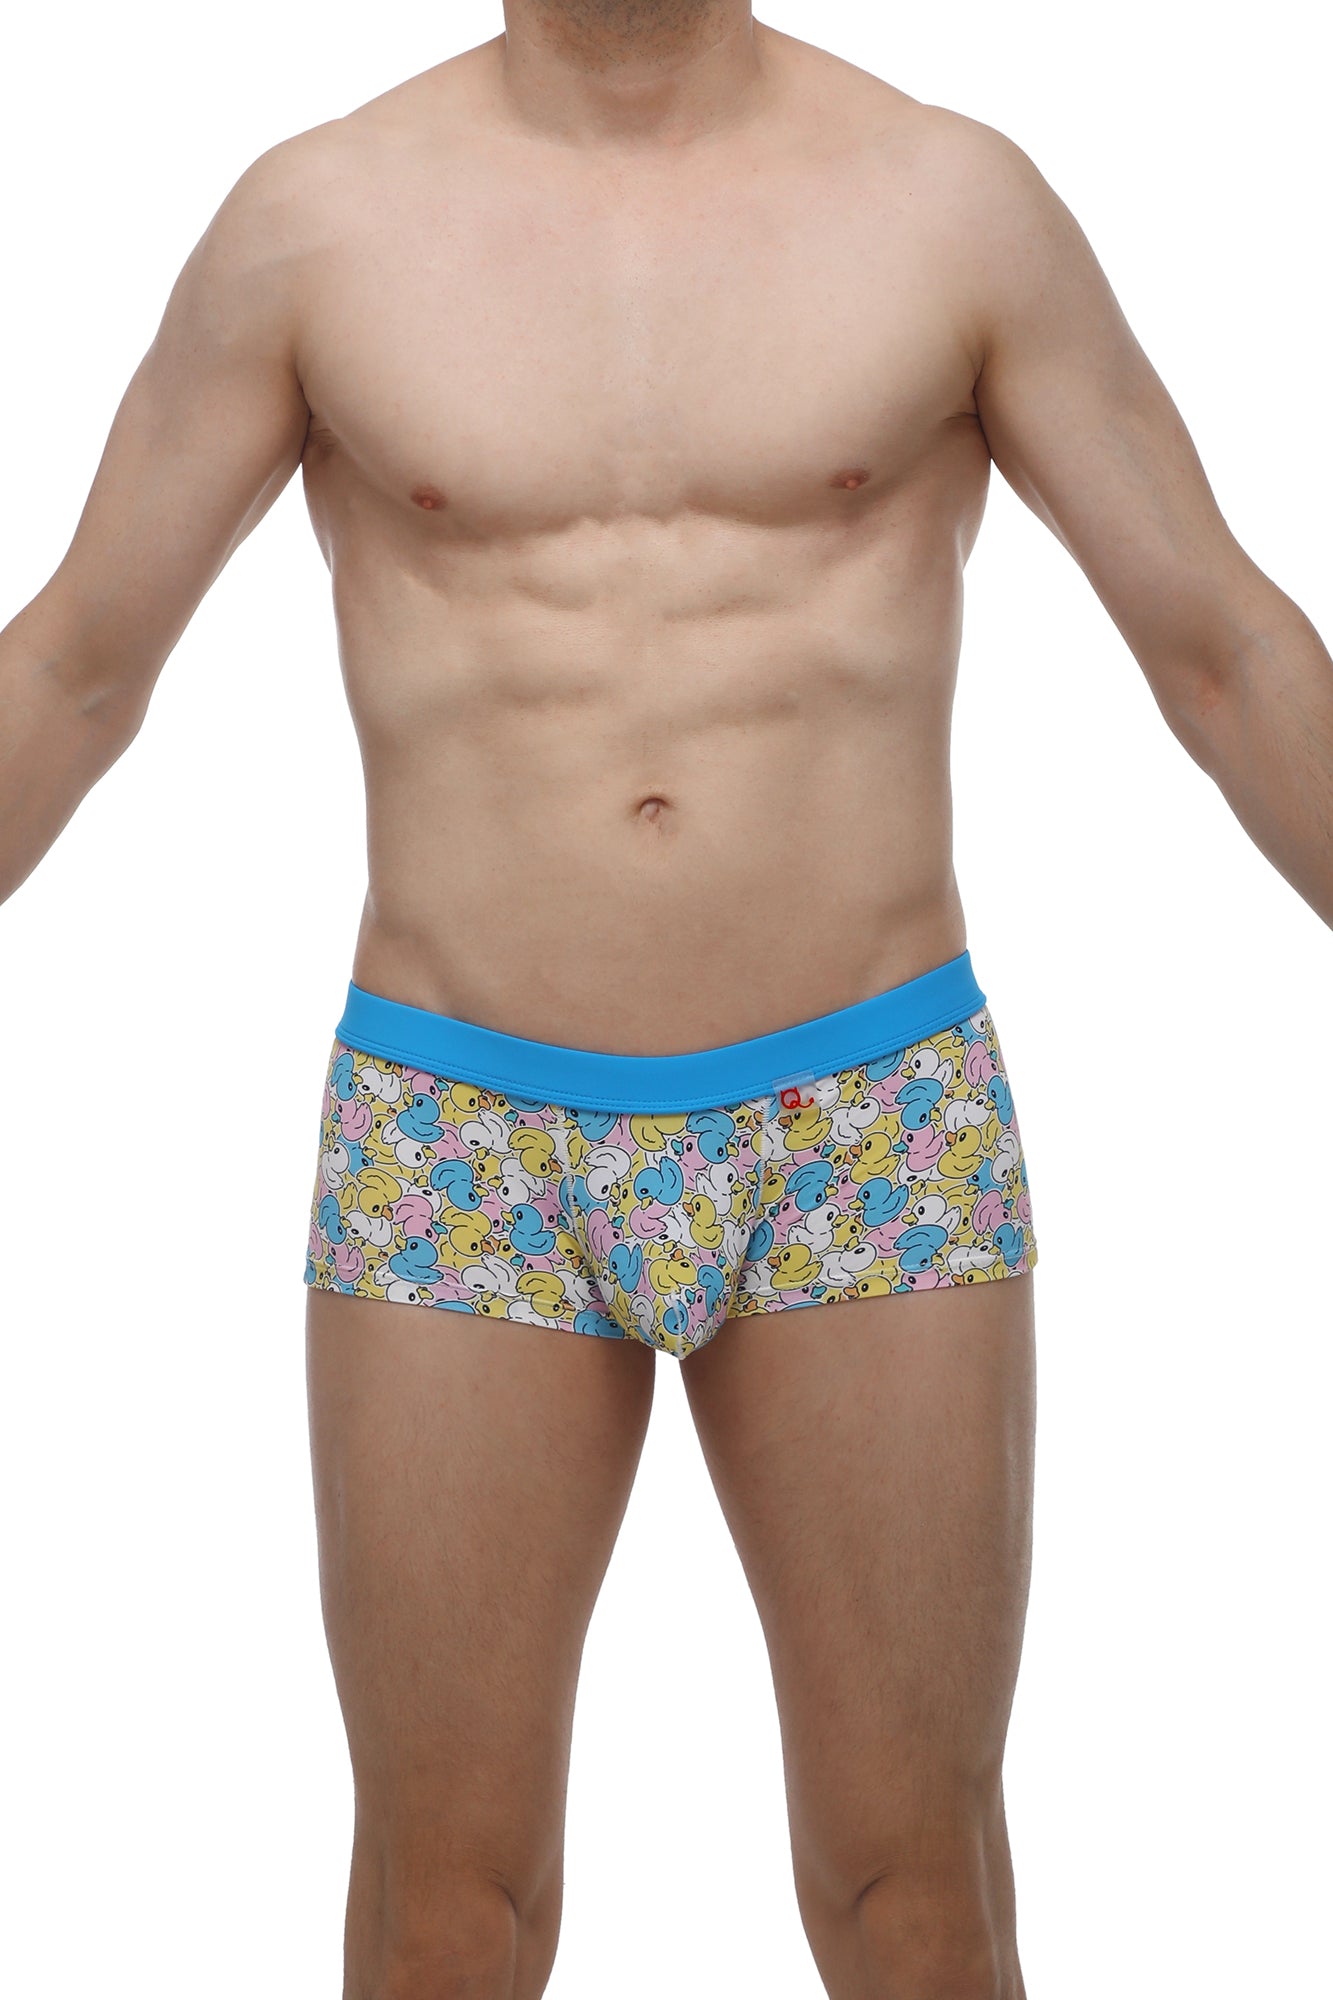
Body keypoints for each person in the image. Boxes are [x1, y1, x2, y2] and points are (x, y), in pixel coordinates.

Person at [2, 2, 1330, 1994]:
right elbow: (73, 669)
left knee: (911, 1889)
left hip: (864, 1111)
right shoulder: (317, 222)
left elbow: (1222, 647)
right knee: (447, 1907)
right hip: (462, 1124)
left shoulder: (949, 201)